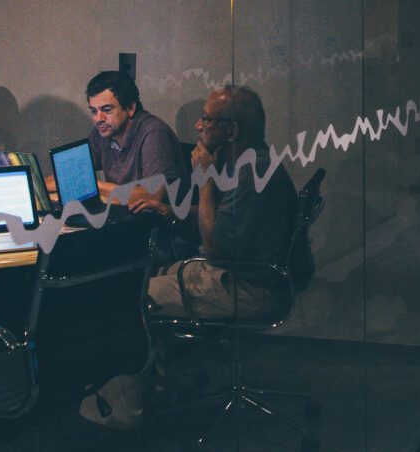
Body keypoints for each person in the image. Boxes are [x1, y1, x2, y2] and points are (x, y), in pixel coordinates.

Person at [77, 85, 298, 434]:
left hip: (248, 286)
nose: (198, 125)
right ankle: (163, 390)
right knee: (154, 275)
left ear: (232, 130)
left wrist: (206, 179)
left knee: (128, 299)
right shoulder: (254, 161)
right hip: (249, 275)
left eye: (207, 119)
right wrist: (170, 210)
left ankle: (123, 410)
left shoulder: (248, 174)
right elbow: (223, 222)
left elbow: (215, 248)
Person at [46, 71, 186, 211]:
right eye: (94, 111)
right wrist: (38, 186)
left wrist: (95, 186)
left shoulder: (154, 133)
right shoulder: (102, 132)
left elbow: (153, 196)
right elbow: (68, 176)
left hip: (154, 225)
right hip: (122, 217)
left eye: (107, 110)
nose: (98, 119)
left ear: (130, 108)